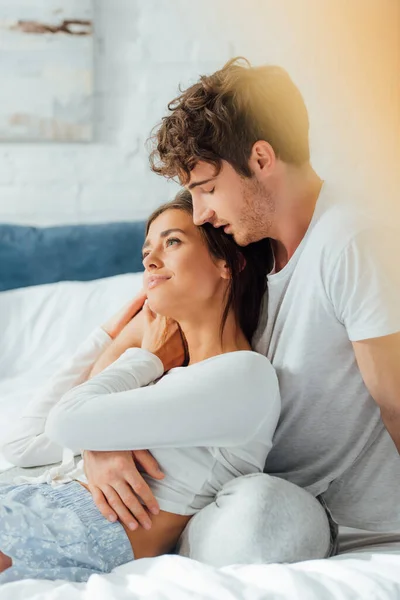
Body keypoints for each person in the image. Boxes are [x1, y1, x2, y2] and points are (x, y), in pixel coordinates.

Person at [71, 56, 400, 564]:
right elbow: (129, 351)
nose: (200, 212)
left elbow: (396, 402)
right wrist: (102, 445)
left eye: (206, 188)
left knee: (259, 510)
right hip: (226, 496)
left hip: (337, 523)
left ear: (262, 159)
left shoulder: (354, 241)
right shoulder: (239, 255)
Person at [1, 190, 308, 583]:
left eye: (172, 241)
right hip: (31, 507)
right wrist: (113, 334)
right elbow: (23, 444)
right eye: (147, 249)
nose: (149, 259)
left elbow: (66, 422)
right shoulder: (163, 381)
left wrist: (143, 358)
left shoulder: (244, 375)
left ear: (226, 263)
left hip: (64, 531)